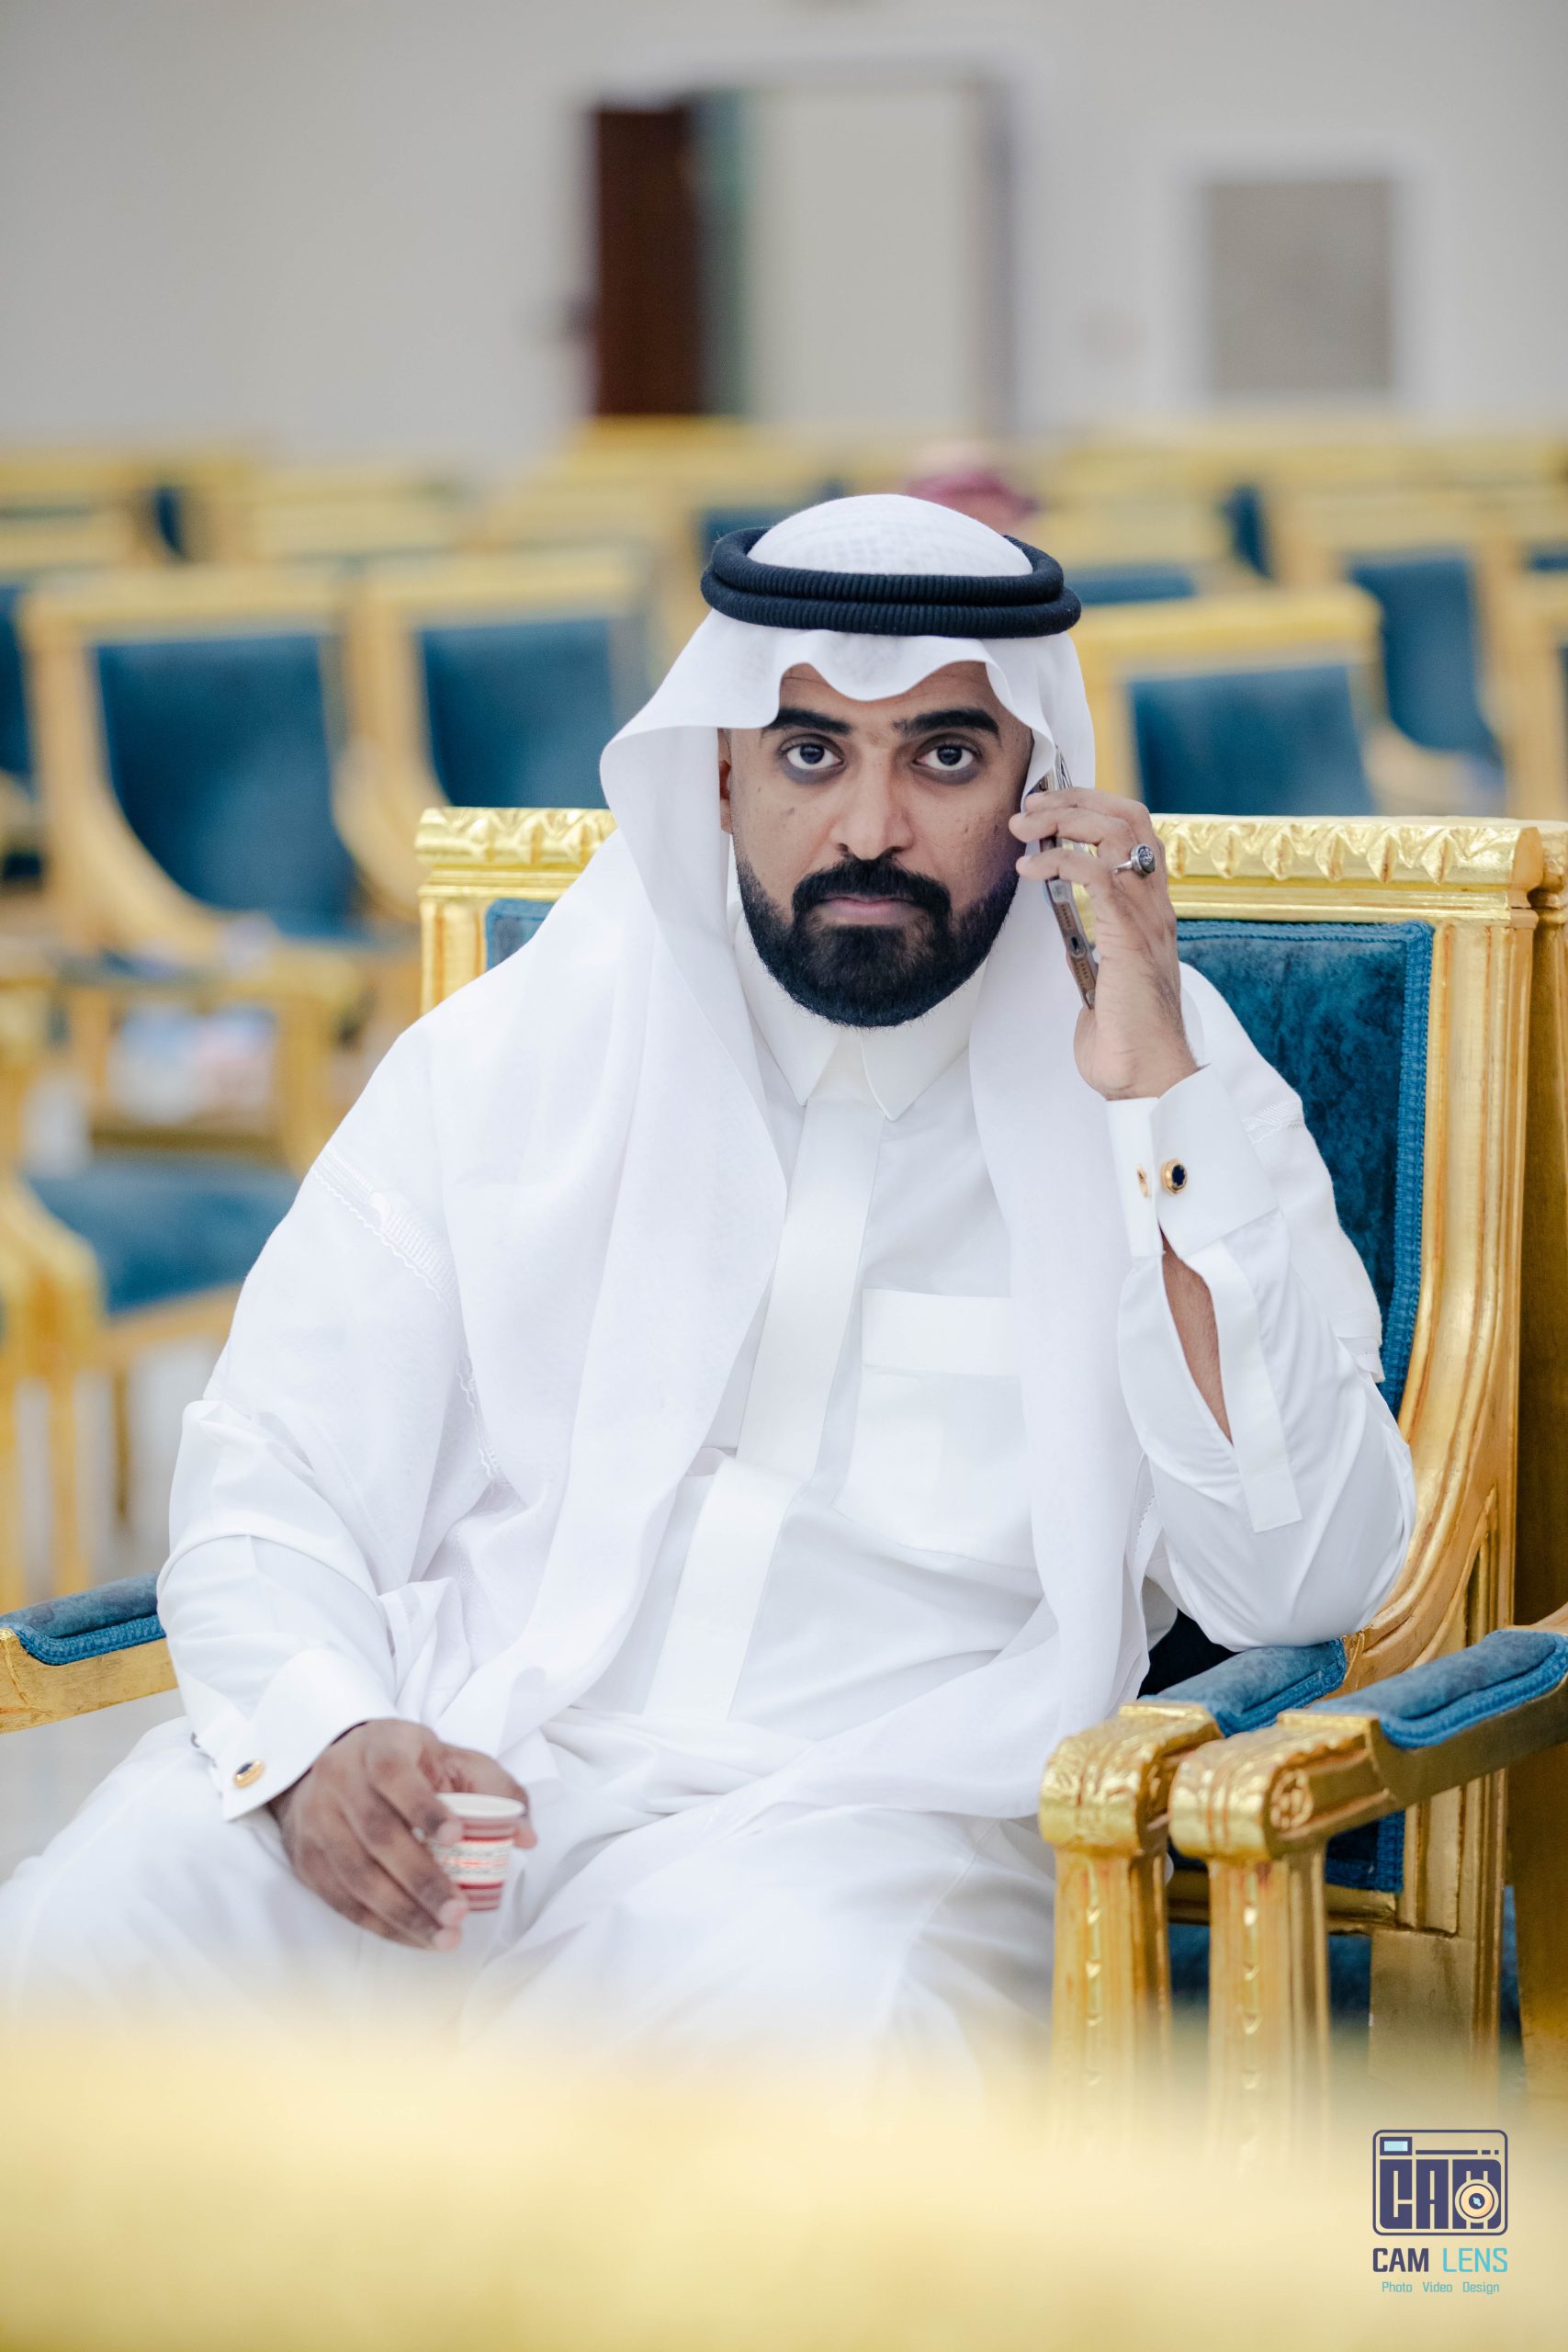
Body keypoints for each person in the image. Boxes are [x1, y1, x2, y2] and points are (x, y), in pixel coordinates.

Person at [0, 497, 1413, 2075]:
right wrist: (321, 1733)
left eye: (944, 756)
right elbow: (276, 1458)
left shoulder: (1170, 1084)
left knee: (804, 2069)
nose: (869, 828)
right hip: (475, 1752)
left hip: (859, 1838)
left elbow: (1303, 1580)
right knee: (103, 1926)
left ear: (1038, 792)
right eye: (812, 753)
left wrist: (1153, 1100)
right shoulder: (519, 1053)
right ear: (724, 772)